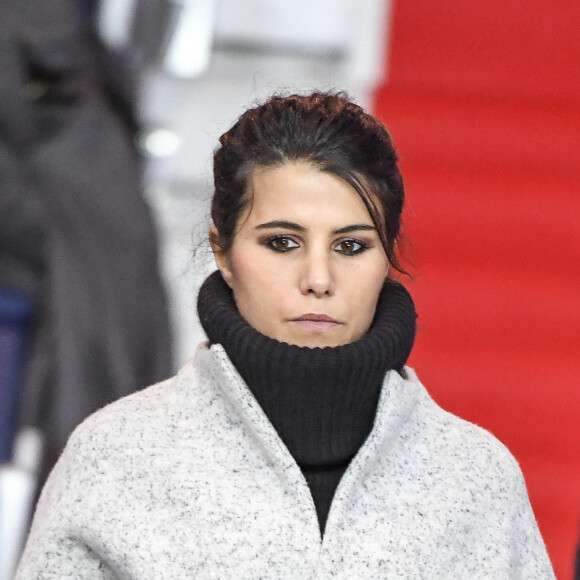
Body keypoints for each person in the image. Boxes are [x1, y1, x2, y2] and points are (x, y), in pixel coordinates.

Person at [15, 92, 555, 578]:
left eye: (350, 247)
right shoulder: (115, 456)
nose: (318, 280)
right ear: (223, 252)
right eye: (281, 243)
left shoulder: (475, 476)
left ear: (388, 254)